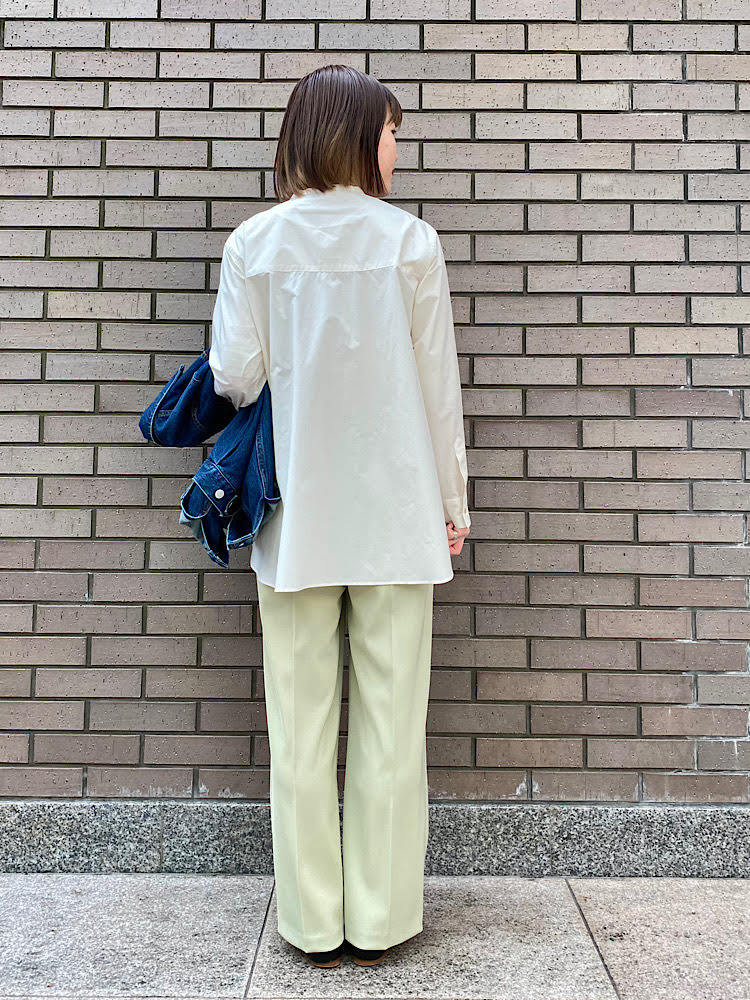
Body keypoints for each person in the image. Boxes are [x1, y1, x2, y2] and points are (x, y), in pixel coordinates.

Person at [207, 64, 471, 969]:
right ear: (357, 134)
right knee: (393, 730)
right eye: (393, 132)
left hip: (296, 519)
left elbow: (234, 377)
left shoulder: (255, 243)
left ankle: (313, 924)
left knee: (300, 725)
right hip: (397, 515)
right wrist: (454, 505)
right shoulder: (412, 243)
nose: (398, 150)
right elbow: (438, 392)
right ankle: (382, 920)